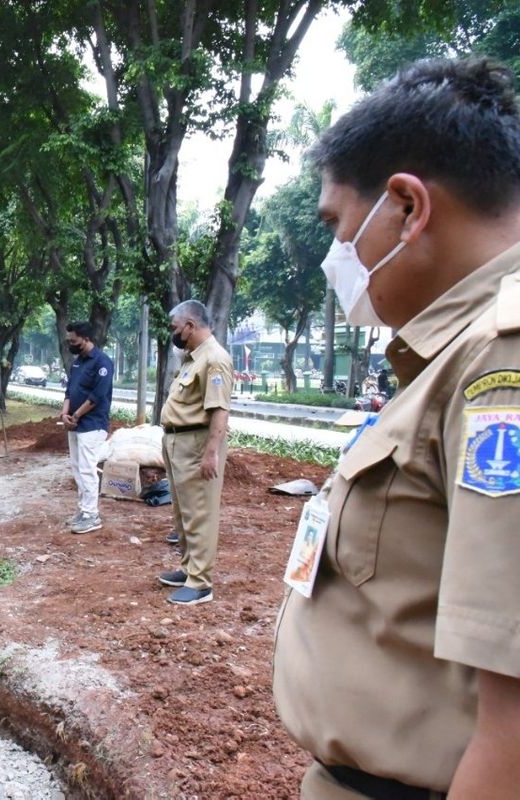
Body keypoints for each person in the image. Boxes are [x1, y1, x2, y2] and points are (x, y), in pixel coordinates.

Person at [273, 58, 520, 800]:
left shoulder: (499, 362)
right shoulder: (451, 358)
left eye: (337, 226)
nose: (333, 257)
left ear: (407, 208)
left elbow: (511, 733)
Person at [157, 299, 232, 606]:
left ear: (190, 325)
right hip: (178, 443)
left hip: (198, 444)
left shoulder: (214, 359)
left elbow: (219, 411)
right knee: (183, 512)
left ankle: (201, 582)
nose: (173, 333)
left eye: (176, 328)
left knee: (200, 512)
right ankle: (189, 568)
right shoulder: (192, 357)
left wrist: (211, 453)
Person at [60, 321, 115, 535]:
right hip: (74, 424)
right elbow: (69, 390)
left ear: (85, 338)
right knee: (76, 467)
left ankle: (92, 515)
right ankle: (83, 510)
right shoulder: (77, 362)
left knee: (87, 468)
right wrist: (65, 413)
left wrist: (75, 415)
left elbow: (97, 396)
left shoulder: (102, 362)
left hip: (92, 424)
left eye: (73, 341)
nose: (70, 344)